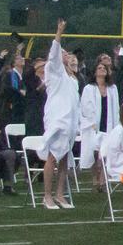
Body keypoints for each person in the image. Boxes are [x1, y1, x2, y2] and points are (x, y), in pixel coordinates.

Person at [39, 22, 81, 210]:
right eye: (64, 53)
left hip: (71, 122)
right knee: (53, 158)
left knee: (64, 159)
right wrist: (59, 33)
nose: (66, 55)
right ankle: (47, 196)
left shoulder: (72, 78)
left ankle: (60, 194)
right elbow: (54, 54)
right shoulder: (53, 70)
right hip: (58, 120)